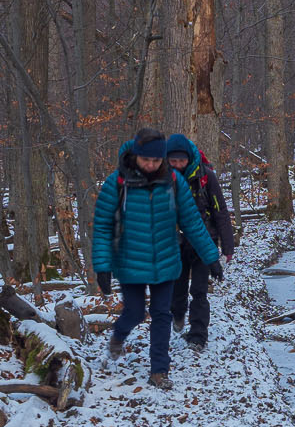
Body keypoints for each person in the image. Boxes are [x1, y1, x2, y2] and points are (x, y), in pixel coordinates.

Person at [91, 127, 222, 390]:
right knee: (135, 312)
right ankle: (117, 338)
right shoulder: (116, 183)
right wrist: (102, 267)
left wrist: (211, 257)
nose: (151, 165)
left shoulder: (174, 182)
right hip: (130, 262)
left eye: (156, 160)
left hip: (165, 261)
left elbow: (193, 223)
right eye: (145, 160)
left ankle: (159, 370)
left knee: (162, 314)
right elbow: (102, 226)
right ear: (135, 155)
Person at [164, 134, 236, 347]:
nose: (177, 165)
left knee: (199, 290)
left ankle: (198, 335)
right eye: (173, 161)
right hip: (175, 244)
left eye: (181, 161)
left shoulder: (206, 177)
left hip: (205, 241)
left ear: (189, 158)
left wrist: (227, 245)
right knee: (177, 292)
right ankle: (178, 314)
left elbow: (220, 211)